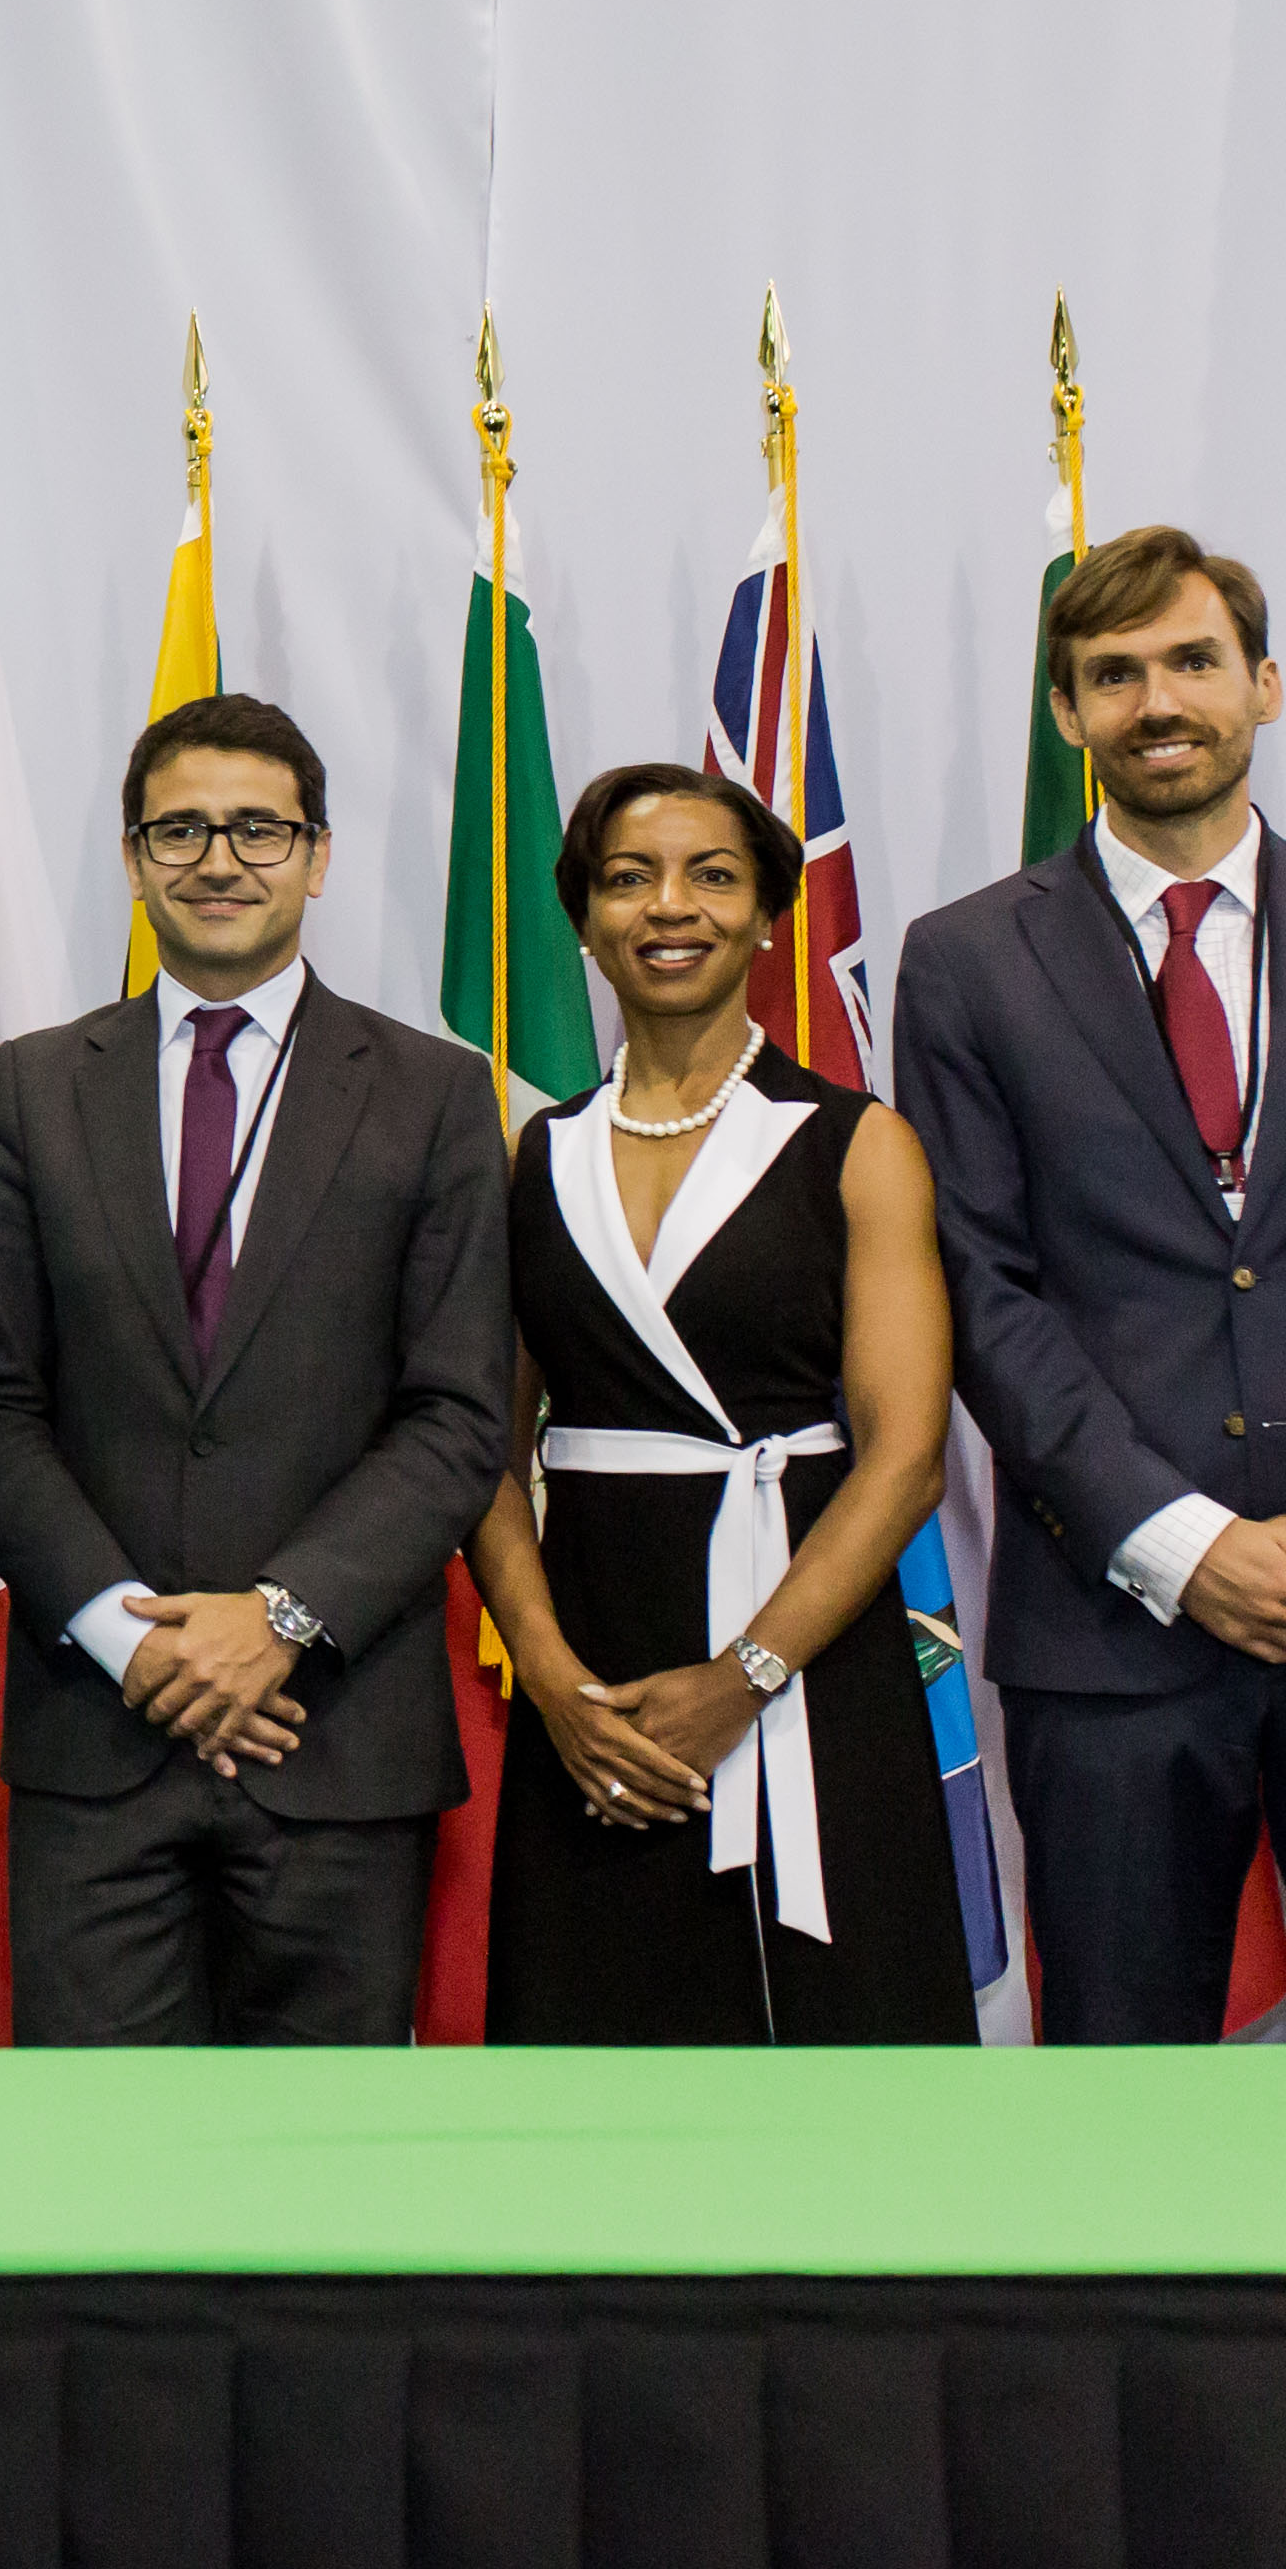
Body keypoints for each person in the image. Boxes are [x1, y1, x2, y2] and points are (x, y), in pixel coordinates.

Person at [892, 526, 1286, 2040]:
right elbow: (978, 1284)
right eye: (1110, 675)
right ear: (1065, 713)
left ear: (1263, 683)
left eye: (1188, 662)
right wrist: (1178, 1544)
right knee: (1126, 2115)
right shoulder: (965, 961)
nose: (1153, 700)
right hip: (1113, 1634)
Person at [0, 691, 508, 2045]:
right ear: (132, 858)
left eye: (257, 828)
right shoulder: (32, 1087)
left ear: (317, 855)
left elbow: (454, 1413)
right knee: (93, 2186)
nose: (216, 859)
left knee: (321, 2200)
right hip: (98, 1732)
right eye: (179, 828)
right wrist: (121, 1634)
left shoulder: (431, 1092)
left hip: (334, 1732)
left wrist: (278, 1618)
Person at [467, 767, 975, 2043]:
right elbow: (480, 1442)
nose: (667, 904)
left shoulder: (855, 1140)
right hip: (595, 1669)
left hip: (809, 1649)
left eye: (711, 874)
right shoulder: (540, 1152)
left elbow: (906, 1455)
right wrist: (552, 1677)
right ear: (582, 919)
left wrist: (743, 1674)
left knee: (842, 2034)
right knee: (603, 2046)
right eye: (627, 877)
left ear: (766, 918)